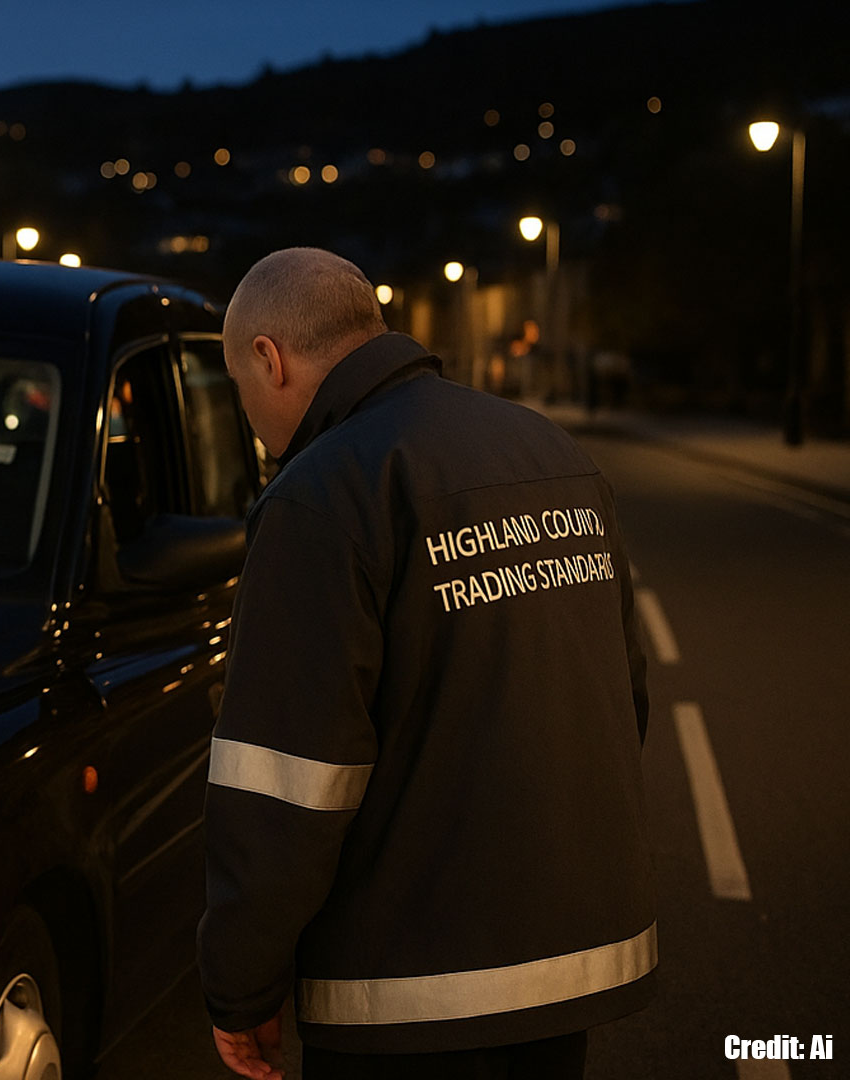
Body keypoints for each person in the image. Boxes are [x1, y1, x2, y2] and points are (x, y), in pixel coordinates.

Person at [198, 248, 655, 1080]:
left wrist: (241, 984)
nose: (253, 420)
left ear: (269, 357)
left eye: (240, 389)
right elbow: (625, 698)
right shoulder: (550, 453)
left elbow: (285, 783)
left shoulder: (322, 495)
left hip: (407, 996)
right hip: (568, 967)